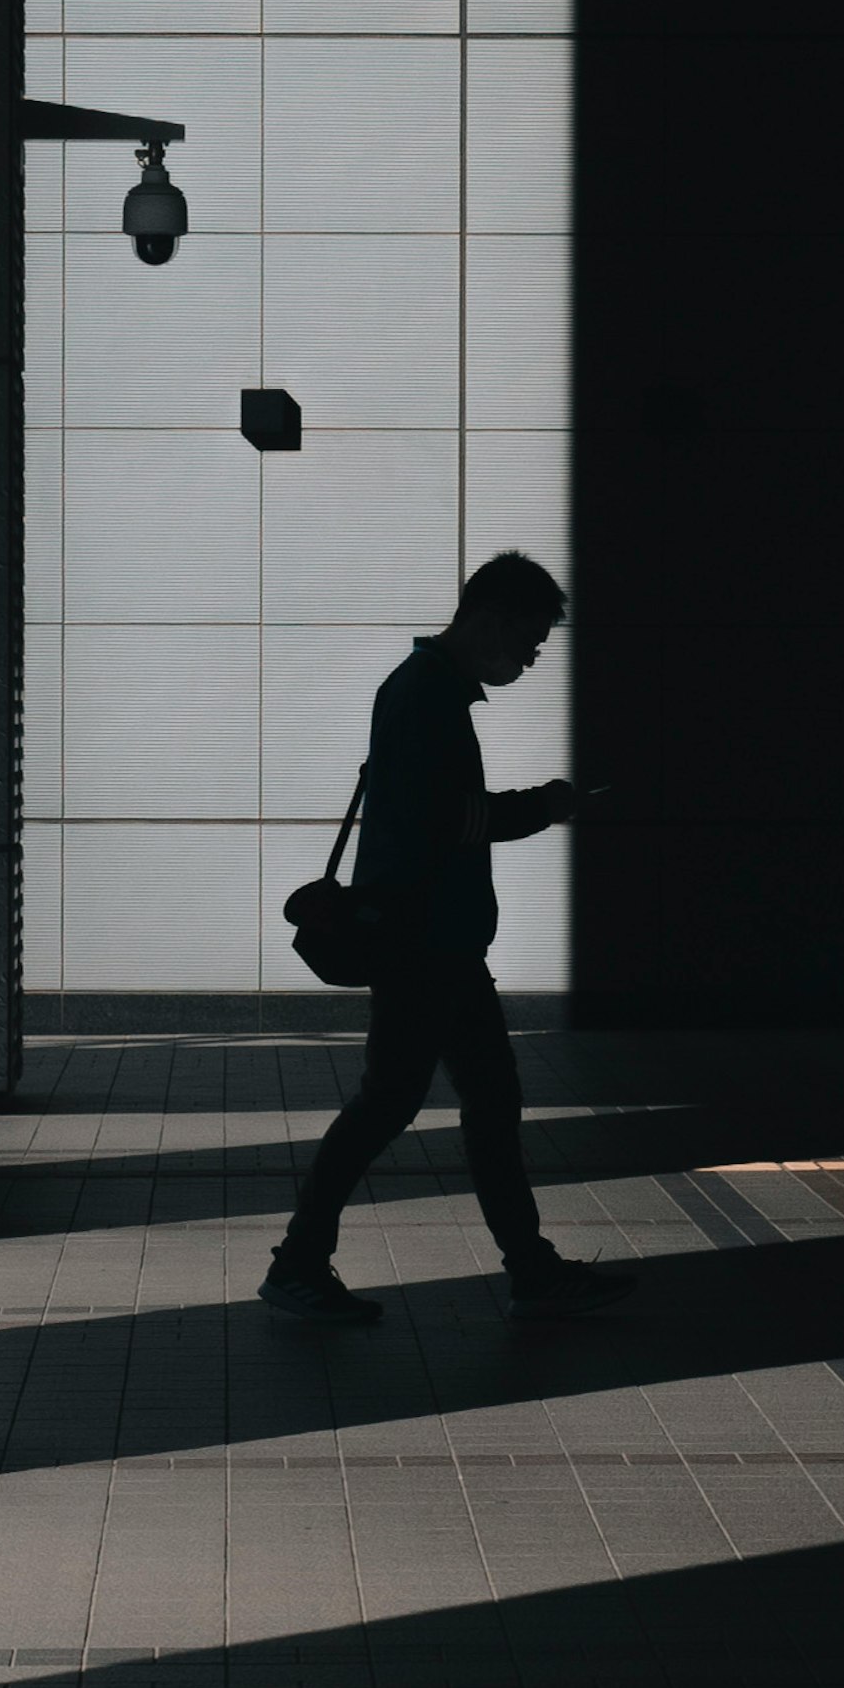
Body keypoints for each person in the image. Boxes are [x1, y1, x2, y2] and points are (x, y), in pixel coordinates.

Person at [262, 550, 636, 1325]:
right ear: (491, 617)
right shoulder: (427, 696)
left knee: (479, 1100)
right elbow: (451, 820)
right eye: (528, 641)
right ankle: (299, 1262)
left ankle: (529, 1269)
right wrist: (551, 803)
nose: (530, 659)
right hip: (424, 943)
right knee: (395, 1102)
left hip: (440, 943)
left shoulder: (424, 690)